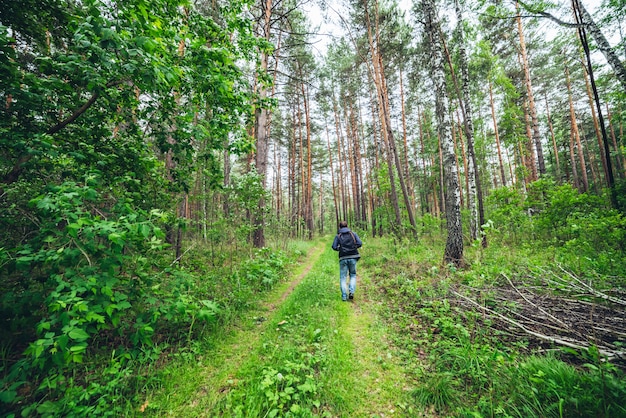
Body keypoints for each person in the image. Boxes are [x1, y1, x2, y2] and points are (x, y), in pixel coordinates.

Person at [331, 221, 363, 301]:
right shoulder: (353, 234)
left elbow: (334, 247)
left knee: (343, 277)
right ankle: (351, 292)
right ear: (347, 226)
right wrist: (353, 247)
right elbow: (360, 243)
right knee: (352, 275)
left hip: (343, 258)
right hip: (353, 257)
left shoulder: (338, 236)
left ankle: (344, 296)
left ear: (340, 227)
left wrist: (340, 249)